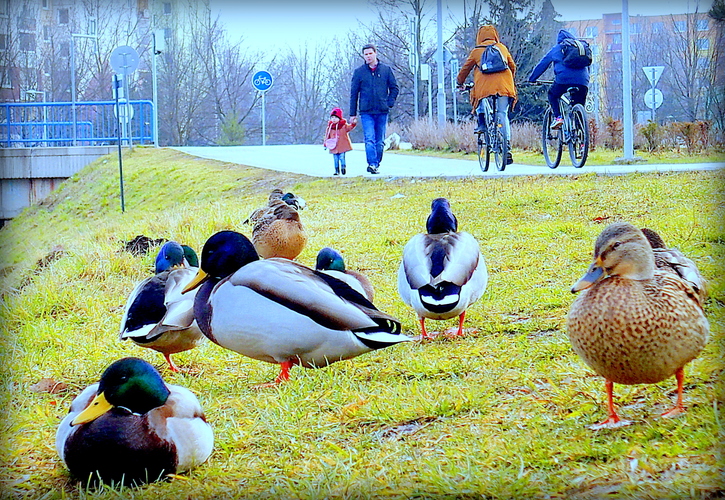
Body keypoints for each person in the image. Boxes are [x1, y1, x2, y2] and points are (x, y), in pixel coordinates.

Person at [456, 25, 517, 165]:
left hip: (484, 87)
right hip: (504, 86)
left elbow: (465, 69)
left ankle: (482, 123)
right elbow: (512, 66)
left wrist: (459, 82)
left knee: (479, 98)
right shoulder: (502, 48)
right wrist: (510, 80)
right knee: (502, 114)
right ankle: (506, 145)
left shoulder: (476, 51)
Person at [349, 44, 399, 175]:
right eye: (365, 54)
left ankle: (376, 163)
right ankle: (372, 163)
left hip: (382, 111)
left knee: (379, 141)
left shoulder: (386, 70)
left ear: (375, 53)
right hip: (366, 112)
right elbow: (354, 93)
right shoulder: (359, 72)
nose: (368, 56)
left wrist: (389, 102)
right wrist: (352, 114)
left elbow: (394, 88)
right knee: (369, 138)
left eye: (370, 53)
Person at [528, 29, 590, 130]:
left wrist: (532, 79)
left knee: (552, 95)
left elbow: (543, 64)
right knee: (579, 106)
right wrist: (585, 81)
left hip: (563, 80)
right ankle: (581, 136)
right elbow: (588, 65)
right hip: (583, 81)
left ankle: (558, 118)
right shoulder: (581, 49)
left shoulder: (558, 48)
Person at [323, 107, 357, 176]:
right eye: (332, 117)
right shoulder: (330, 127)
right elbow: (327, 135)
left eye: (335, 117)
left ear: (339, 118)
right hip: (333, 146)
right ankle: (336, 170)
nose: (334, 119)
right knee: (335, 158)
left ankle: (343, 167)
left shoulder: (343, 125)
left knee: (342, 157)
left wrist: (353, 124)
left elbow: (349, 127)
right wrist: (325, 143)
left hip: (342, 145)